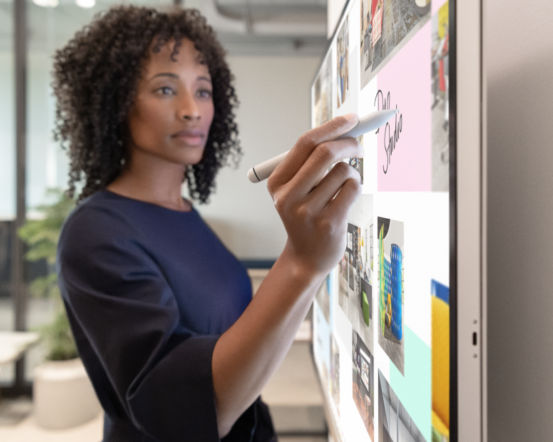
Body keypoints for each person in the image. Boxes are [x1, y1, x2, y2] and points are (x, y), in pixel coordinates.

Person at [52, 5, 362, 442]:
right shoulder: (95, 233)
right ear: (115, 102)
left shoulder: (182, 211)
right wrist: (302, 262)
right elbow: (183, 416)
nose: (191, 110)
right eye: (164, 90)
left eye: (202, 90)